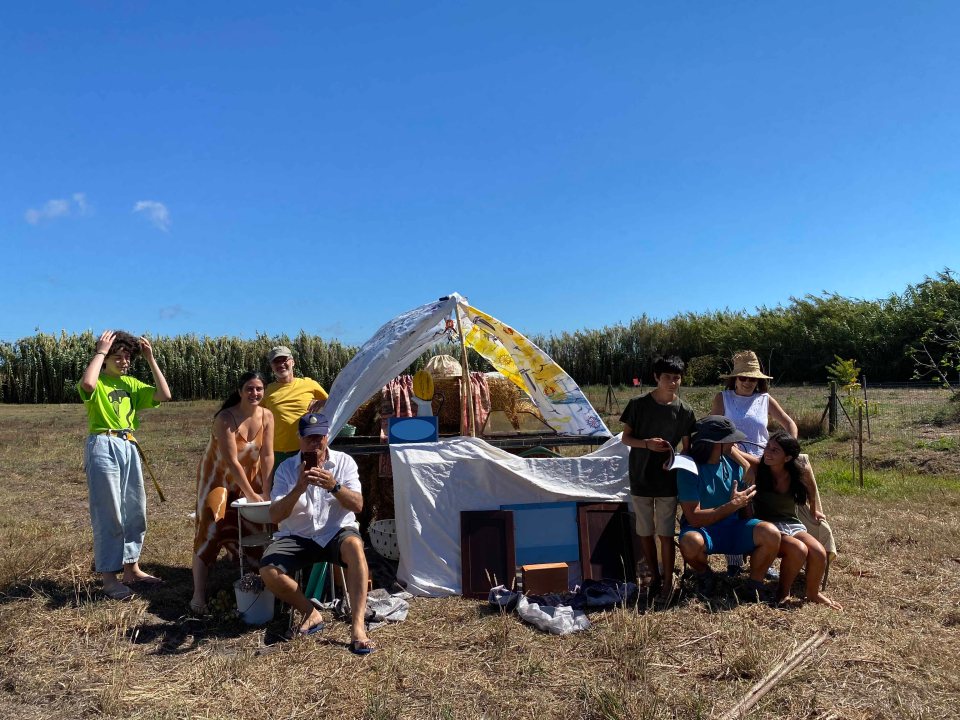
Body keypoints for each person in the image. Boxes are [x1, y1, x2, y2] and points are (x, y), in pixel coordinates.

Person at [259, 412, 375, 654]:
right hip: (298, 536)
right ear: (299, 439)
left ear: (327, 437)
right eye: (309, 438)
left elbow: (358, 505)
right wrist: (298, 489)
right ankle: (310, 612)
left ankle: (358, 628)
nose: (315, 443)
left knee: (355, 547)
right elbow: (275, 515)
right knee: (268, 570)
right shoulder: (286, 469)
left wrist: (334, 486)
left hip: (335, 532)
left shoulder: (344, 462)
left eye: (319, 437)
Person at [78, 330, 172, 600]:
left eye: (128, 357)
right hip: (103, 443)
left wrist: (150, 358)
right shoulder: (98, 380)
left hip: (128, 444)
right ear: (106, 359)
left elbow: (164, 395)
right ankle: (109, 579)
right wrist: (100, 351)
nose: (124, 361)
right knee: (109, 512)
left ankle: (132, 568)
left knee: (134, 509)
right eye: (118, 357)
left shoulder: (131, 384)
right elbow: (87, 385)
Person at [676, 416, 795, 601]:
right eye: (730, 439)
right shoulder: (688, 469)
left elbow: (745, 508)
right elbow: (694, 518)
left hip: (733, 527)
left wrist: (751, 529)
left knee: (770, 532)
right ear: (717, 443)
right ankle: (705, 575)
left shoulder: (734, 464)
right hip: (702, 530)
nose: (735, 443)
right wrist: (732, 506)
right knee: (690, 542)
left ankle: (754, 585)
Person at [190, 371, 275, 614]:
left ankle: (257, 584)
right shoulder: (225, 418)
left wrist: (266, 490)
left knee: (256, 528)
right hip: (217, 479)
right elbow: (231, 462)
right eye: (249, 388)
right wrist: (251, 495)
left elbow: (267, 455)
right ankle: (198, 595)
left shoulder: (267, 416)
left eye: (259, 389)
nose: (254, 393)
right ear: (239, 391)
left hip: (251, 478)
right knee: (211, 528)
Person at [710, 350, 798, 576]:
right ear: (735, 379)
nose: (748, 382)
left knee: (761, 511)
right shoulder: (723, 398)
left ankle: (763, 559)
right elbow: (715, 432)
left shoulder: (765, 399)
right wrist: (746, 463)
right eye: (743, 377)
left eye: (753, 378)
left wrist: (790, 448)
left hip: (764, 460)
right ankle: (734, 560)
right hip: (733, 457)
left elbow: (789, 424)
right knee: (736, 507)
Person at [619, 356, 696, 601]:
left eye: (676, 378)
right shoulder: (638, 404)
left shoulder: (685, 411)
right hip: (640, 477)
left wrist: (676, 461)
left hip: (667, 481)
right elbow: (625, 438)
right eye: (667, 377)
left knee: (666, 533)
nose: (672, 382)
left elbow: (687, 448)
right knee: (645, 531)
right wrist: (646, 444)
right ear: (656, 377)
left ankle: (667, 582)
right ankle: (653, 578)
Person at [746, 432, 842, 609]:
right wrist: (739, 456)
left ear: (788, 458)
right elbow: (737, 454)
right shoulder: (760, 468)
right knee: (798, 549)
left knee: (819, 552)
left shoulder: (798, 472)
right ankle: (783, 593)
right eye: (768, 447)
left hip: (791, 523)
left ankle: (813, 593)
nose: (768, 452)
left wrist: (814, 510)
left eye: (775, 450)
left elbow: (811, 487)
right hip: (768, 528)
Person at [261, 345, 329, 470]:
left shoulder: (309, 384)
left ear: (293, 362)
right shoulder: (267, 391)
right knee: (279, 483)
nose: (280, 364)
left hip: (308, 450)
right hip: (278, 453)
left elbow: (334, 403)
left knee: (309, 481)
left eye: (284, 360)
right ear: (271, 366)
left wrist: (323, 402)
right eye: (276, 361)